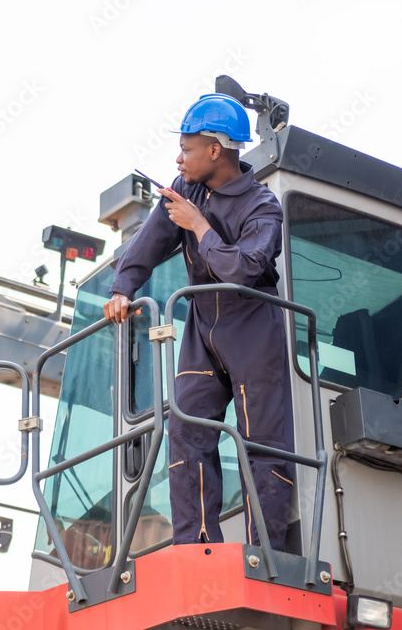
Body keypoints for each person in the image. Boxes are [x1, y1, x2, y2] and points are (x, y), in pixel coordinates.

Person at [103, 93, 294, 553]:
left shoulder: (263, 207)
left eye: (186, 148)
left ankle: (264, 556)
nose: (178, 157)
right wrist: (122, 287)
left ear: (215, 150)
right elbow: (149, 242)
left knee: (262, 446)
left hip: (253, 329)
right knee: (186, 429)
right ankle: (198, 549)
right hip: (202, 328)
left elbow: (245, 269)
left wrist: (200, 227)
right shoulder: (185, 189)